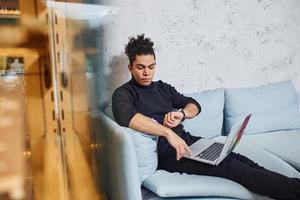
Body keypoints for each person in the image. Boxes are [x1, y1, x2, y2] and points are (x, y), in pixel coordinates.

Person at [112, 34, 300, 200]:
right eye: (141, 67)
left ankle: (289, 187)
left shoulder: (163, 88)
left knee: (240, 159)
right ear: (130, 67)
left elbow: (195, 105)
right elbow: (127, 118)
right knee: (231, 168)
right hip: (167, 152)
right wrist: (168, 133)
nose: (147, 73)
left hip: (188, 141)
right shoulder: (124, 93)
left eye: (151, 67)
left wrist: (182, 114)